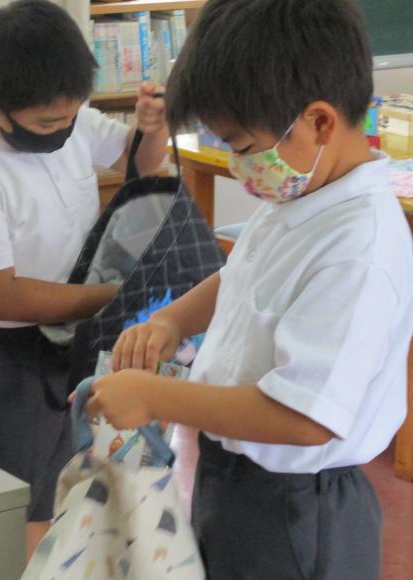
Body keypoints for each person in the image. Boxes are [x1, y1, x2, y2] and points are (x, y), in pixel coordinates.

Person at [85, 1, 413, 578]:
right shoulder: (302, 194)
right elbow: (242, 274)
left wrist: (156, 398)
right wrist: (172, 320)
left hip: (297, 509)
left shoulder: (357, 250)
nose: (238, 167)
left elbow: (304, 418)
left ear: (319, 122)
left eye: (242, 146)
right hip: (237, 480)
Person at [0, 0, 169, 558]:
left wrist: (151, 128)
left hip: (73, 339)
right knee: (8, 504)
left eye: (71, 117)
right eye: (46, 125)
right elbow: (1, 296)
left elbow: (139, 161)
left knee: (68, 483)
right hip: (4, 356)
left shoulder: (65, 115)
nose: (62, 131)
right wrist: (116, 296)